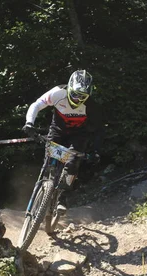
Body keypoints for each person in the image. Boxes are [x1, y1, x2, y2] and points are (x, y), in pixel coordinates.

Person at [22, 69, 103, 214]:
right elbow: (36, 105)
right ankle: (43, 188)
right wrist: (29, 123)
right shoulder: (58, 93)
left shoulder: (91, 106)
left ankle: (62, 198)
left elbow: (98, 129)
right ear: (69, 88)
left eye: (82, 97)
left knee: (72, 164)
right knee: (49, 161)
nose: (78, 99)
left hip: (78, 135)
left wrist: (95, 151)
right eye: (75, 95)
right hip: (57, 131)